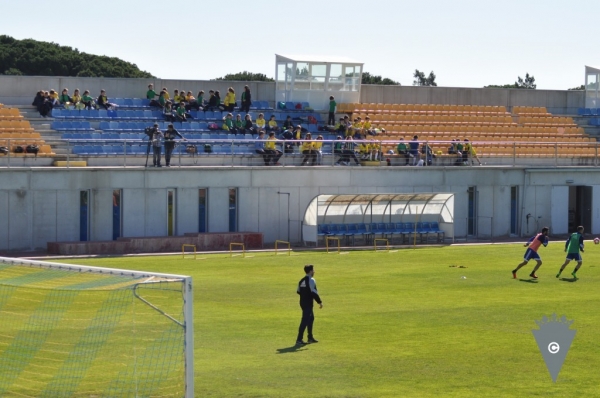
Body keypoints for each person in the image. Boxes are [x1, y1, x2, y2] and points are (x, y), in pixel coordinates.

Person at [296, 264, 322, 345]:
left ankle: (310, 337)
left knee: (311, 318)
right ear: (310, 271)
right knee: (305, 320)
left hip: (302, 302)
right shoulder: (311, 280)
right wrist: (319, 302)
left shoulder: (301, 280)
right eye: (313, 270)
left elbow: (298, 291)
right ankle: (299, 340)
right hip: (308, 303)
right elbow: (314, 292)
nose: (314, 271)